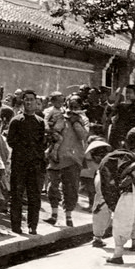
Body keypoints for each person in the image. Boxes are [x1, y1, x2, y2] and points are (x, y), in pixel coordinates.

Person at [44, 93, 89, 227]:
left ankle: (68, 216)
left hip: (73, 158)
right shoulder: (60, 116)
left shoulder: (84, 119)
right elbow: (53, 130)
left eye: (76, 105)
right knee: (52, 187)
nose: (73, 107)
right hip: (56, 156)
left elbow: (83, 135)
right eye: (71, 105)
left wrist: (75, 122)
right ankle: (54, 214)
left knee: (70, 189)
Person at [6, 89, 46, 235]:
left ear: (36, 102)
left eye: (31, 100)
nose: (29, 102)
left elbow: (43, 142)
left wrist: (36, 156)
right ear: (23, 102)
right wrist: (24, 149)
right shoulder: (16, 121)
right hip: (19, 163)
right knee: (16, 194)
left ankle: (32, 225)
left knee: (34, 195)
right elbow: (11, 141)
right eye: (26, 100)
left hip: (35, 164)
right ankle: (16, 225)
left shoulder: (40, 122)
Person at [84, 138, 113, 248]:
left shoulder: (102, 169)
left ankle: (98, 237)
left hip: (105, 193)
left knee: (100, 208)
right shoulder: (109, 163)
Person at [106, 83, 135, 149]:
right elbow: (110, 110)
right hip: (117, 135)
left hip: (129, 136)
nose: (127, 95)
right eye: (126, 92)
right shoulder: (120, 106)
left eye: (130, 93)